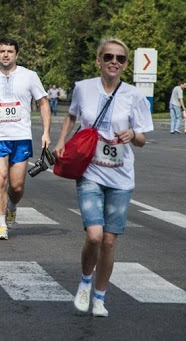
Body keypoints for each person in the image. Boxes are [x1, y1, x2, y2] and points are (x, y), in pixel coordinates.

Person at [53, 37, 153, 317]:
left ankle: (99, 296)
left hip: (121, 176)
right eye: (109, 56)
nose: (114, 62)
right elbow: (71, 117)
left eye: (120, 59)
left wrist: (133, 134)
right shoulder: (83, 88)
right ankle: (85, 281)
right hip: (90, 171)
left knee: (110, 240)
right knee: (95, 236)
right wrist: (61, 141)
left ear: (125, 65)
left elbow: (143, 138)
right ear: (99, 60)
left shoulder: (134, 95)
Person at [0, 37, 51, 240]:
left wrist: (46, 132)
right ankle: (1, 226)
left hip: (21, 137)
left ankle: (12, 206)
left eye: (10, 51)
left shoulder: (29, 76)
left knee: (16, 186)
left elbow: (43, 102)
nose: (6, 55)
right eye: (2, 51)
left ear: (16, 54)